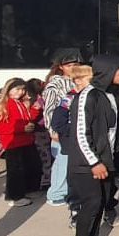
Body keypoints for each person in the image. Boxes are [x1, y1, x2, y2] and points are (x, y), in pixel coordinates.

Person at [65, 58, 119, 236]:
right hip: (87, 164)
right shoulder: (87, 96)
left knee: (101, 204)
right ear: (107, 71)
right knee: (90, 205)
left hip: (105, 162)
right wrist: (94, 162)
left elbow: (110, 132)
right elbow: (81, 134)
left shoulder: (108, 95)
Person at [0, 78, 42, 207]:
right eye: (17, 89)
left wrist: (35, 111)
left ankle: (27, 190)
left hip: (25, 140)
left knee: (32, 166)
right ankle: (14, 196)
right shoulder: (3, 106)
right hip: (13, 143)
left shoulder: (20, 103)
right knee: (15, 171)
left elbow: (27, 119)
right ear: (9, 90)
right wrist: (21, 128)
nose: (21, 91)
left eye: (22, 89)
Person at [42, 52, 82, 205]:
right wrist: (53, 130)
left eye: (75, 65)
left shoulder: (77, 82)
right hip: (61, 128)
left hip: (74, 128)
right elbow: (49, 108)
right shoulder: (56, 84)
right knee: (61, 162)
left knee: (71, 162)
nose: (72, 68)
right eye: (69, 65)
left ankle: (66, 191)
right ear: (61, 67)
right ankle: (56, 193)